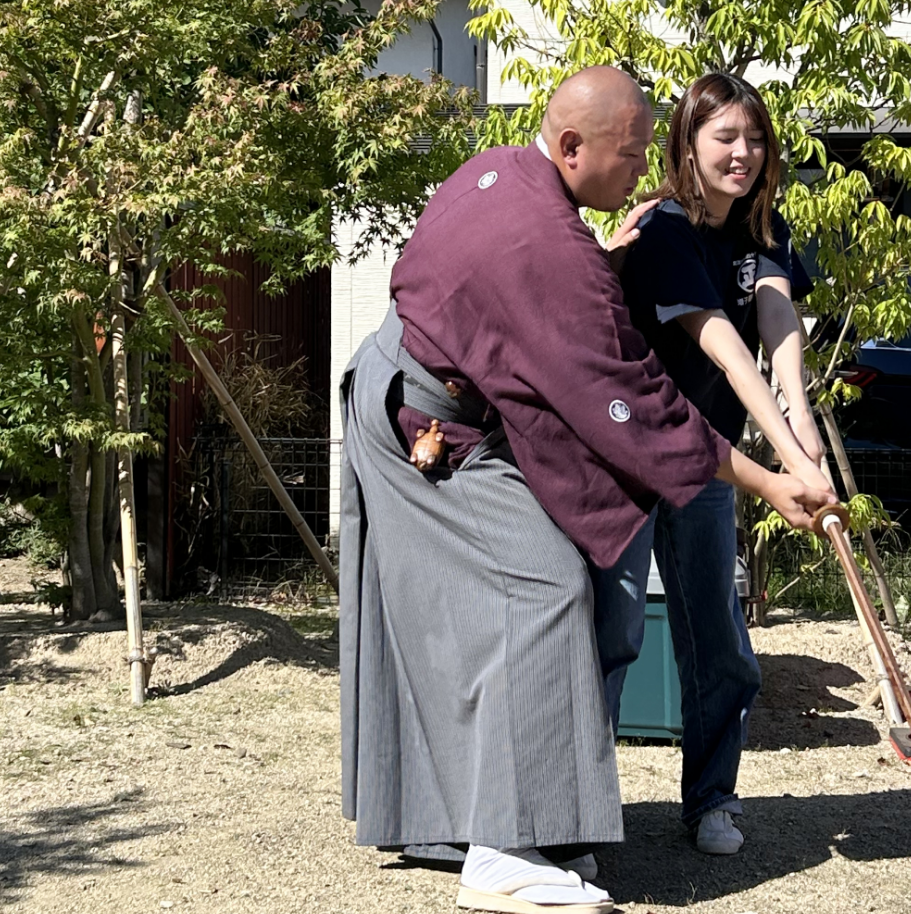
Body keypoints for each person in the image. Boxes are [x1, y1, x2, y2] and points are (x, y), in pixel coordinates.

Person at [338, 66, 834, 914]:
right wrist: (770, 478)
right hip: (431, 425)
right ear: (571, 147)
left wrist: (799, 436)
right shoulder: (569, 244)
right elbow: (638, 402)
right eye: (634, 152)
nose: (642, 171)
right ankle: (508, 848)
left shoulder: (503, 176)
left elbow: (767, 330)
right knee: (548, 589)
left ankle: (480, 822)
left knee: (583, 612)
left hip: (426, 399)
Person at [592, 72, 837, 858]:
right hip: (631, 459)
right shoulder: (662, 227)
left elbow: (775, 320)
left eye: (755, 138)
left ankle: (711, 800)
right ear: (688, 144)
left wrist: (800, 423)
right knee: (612, 636)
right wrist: (789, 458)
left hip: (711, 466)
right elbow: (725, 349)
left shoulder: (764, 227)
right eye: (725, 137)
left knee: (719, 638)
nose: (744, 153)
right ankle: (576, 815)